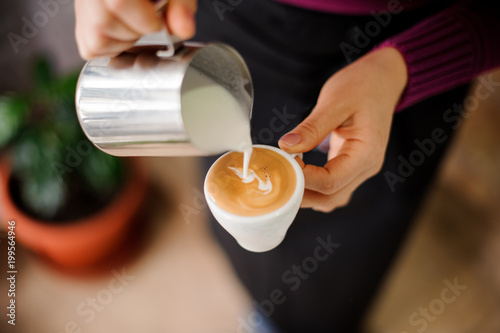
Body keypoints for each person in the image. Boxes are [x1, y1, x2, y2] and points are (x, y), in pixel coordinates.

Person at [75, 0, 500, 331]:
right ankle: (270, 309)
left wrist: (404, 69)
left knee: (349, 227)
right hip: (230, 24)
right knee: (226, 183)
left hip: (409, 35)